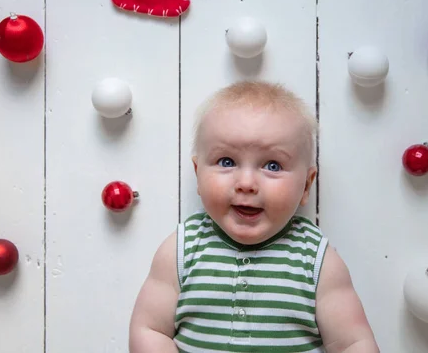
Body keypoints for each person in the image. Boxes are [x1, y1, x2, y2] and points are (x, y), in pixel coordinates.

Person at [129, 81, 379, 352]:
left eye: (273, 165)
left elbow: (352, 342)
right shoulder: (182, 249)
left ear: (307, 185)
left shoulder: (316, 259)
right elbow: (149, 329)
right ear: (197, 173)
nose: (246, 182)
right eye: (227, 161)